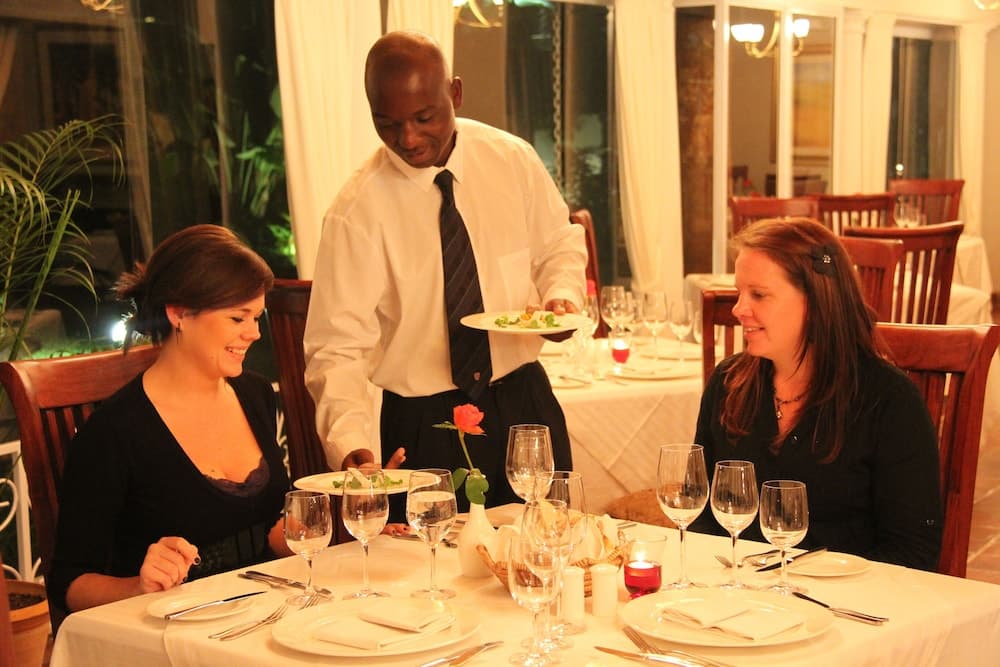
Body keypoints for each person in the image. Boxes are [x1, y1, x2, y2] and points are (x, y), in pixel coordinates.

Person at [303, 31, 587, 512]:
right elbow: (335, 346)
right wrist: (352, 444)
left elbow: (558, 243)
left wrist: (561, 297)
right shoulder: (356, 211)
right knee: (429, 558)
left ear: (455, 93)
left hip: (523, 403)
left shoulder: (511, 159)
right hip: (422, 424)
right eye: (387, 123)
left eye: (423, 118)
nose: (408, 139)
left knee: (550, 545)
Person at [48, 224, 291, 629]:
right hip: (170, 635)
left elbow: (269, 527)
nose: (254, 333)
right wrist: (138, 587)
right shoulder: (115, 432)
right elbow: (68, 582)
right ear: (178, 314)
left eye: (256, 317)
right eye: (238, 317)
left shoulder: (254, 393)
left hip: (265, 617)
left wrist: (352, 515)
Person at [689, 217, 943, 571]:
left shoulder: (888, 402)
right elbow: (700, 512)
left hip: (846, 597)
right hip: (739, 594)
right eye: (739, 292)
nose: (738, 308)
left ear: (816, 301)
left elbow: (913, 551)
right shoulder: (728, 385)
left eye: (758, 294)